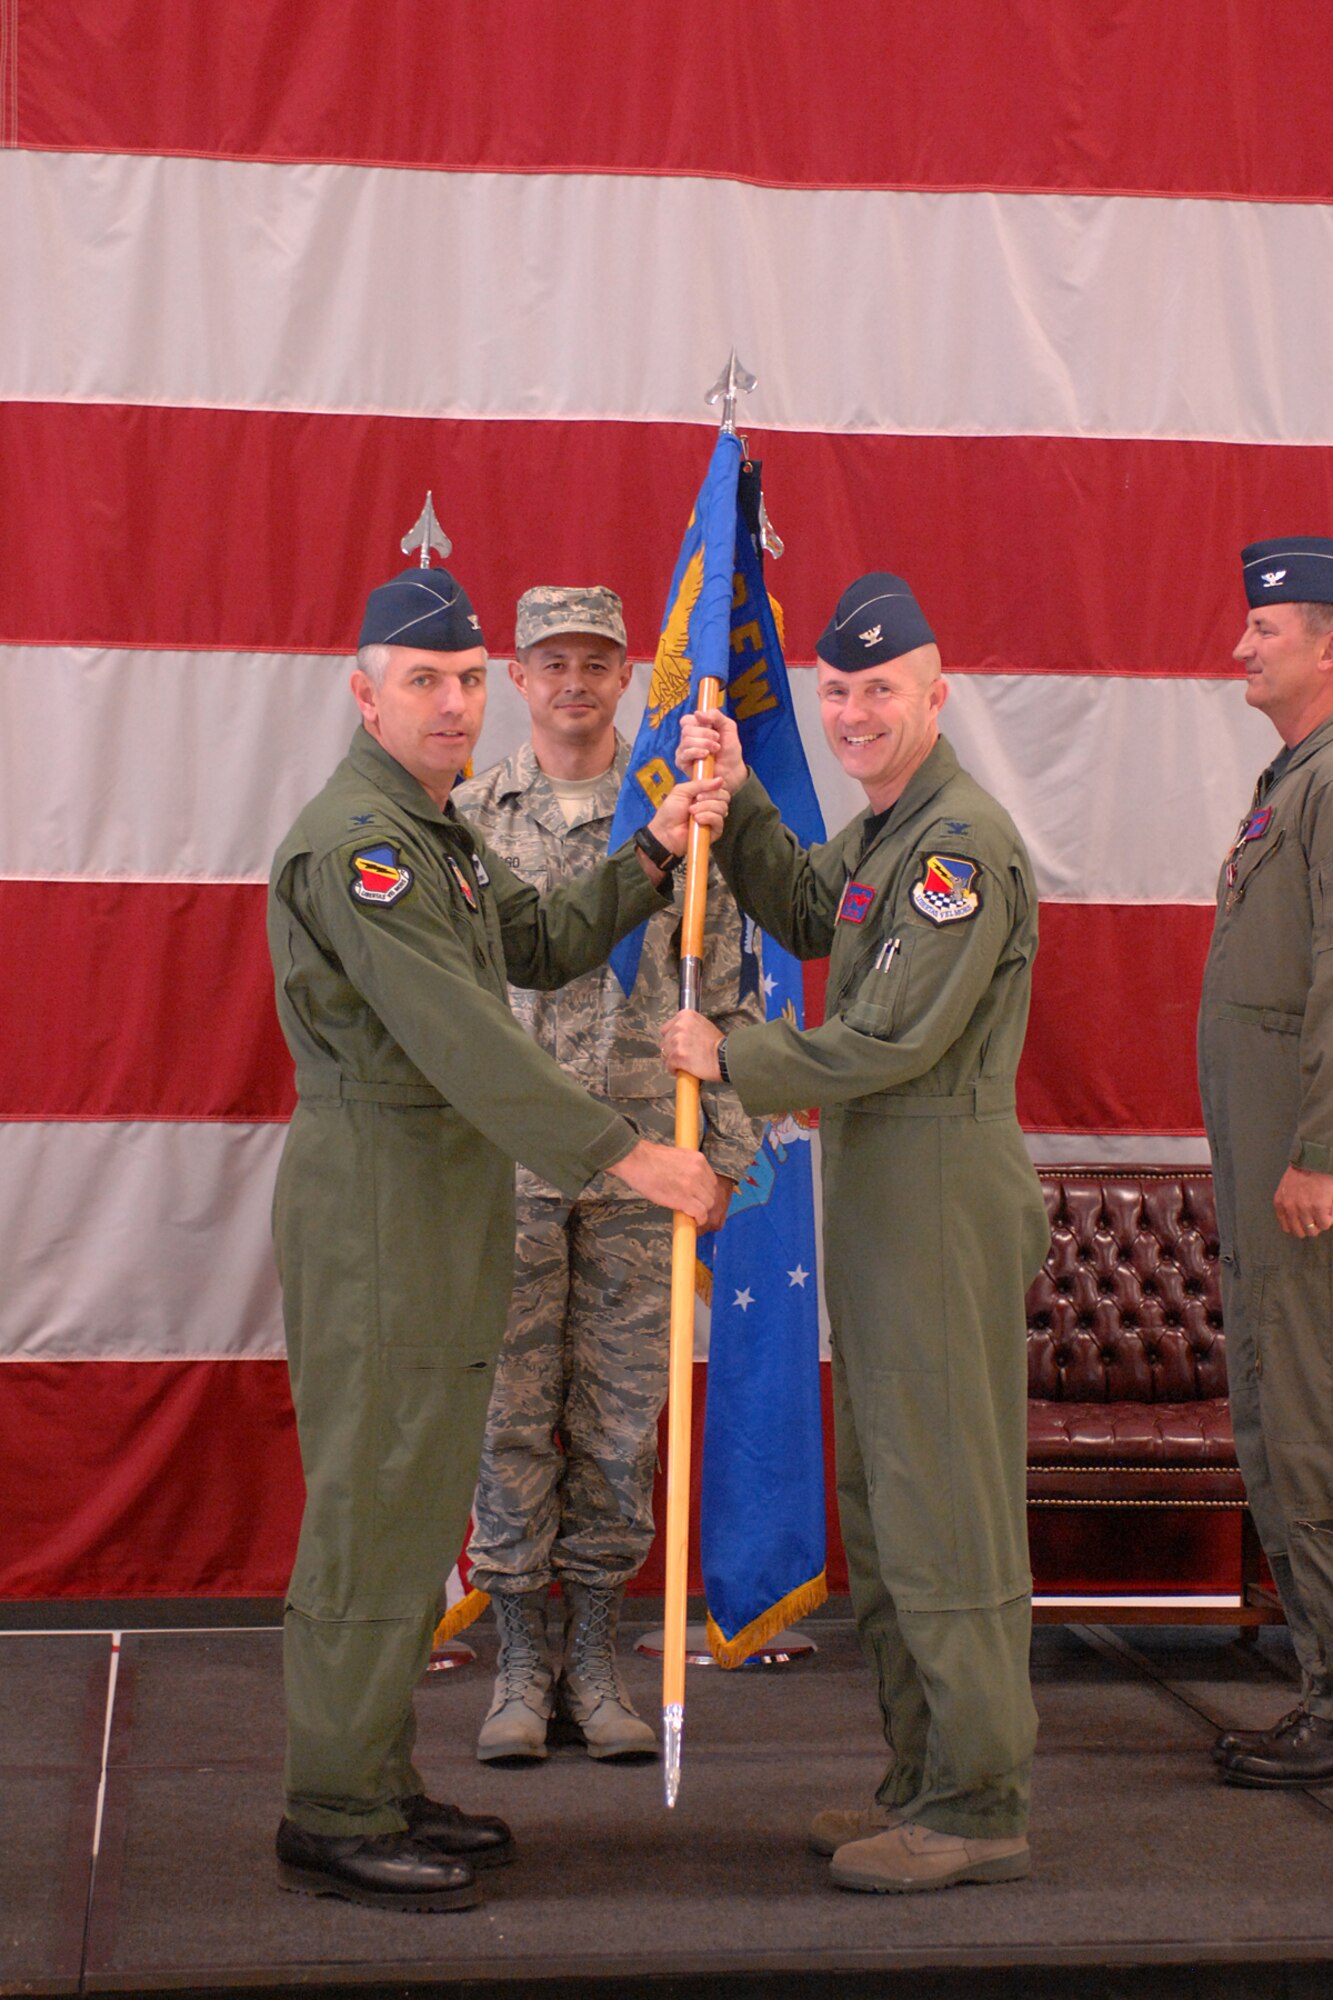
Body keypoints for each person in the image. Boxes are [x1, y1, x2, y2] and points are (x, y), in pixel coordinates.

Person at [266, 563, 723, 1912]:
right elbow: (463, 1038)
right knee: (372, 1504)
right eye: (426, 681)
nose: (456, 703)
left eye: (469, 679)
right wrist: (627, 1152)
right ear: (364, 693)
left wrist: (653, 849)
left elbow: (540, 942)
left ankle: (376, 1772)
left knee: (413, 1510)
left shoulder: (438, 830)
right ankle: (333, 1806)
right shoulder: (362, 839)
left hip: (438, 1197)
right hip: (379, 1205)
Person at [662, 571, 1050, 1895]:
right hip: (885, 1200)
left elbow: (889, 1038)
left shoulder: (952, 847)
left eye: (878, 688)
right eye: (834, 692)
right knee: (885, 1509)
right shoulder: (888, 834)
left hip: (937, 1198)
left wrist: (730, 1056)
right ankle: (923, 1777)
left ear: (937, 694)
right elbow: (799, 902)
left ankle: (981, 1797)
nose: (851, 711)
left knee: (947, 1512)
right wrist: (739, 785)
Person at [454, 585, 762, 1763]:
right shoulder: (469, 819)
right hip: (511, 1168)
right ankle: (521, 1660)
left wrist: (722, 1155)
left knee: (623, 1417)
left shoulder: (684, 819)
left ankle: (594, 1648)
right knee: (510, 1418)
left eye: (595, 660)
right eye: (551, 661)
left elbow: (728, 995)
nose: (574, 681)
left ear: (627, 673)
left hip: (645, 1160)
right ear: (517, 676)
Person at [1198, 536, 1333, 1788]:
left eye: (1266, 626)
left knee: (1304, 1430)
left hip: (1303, 1181)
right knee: (1272, 1416)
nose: (1240, 644)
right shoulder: (1291, 775)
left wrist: (1321, 1152)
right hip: (1266, 1168)